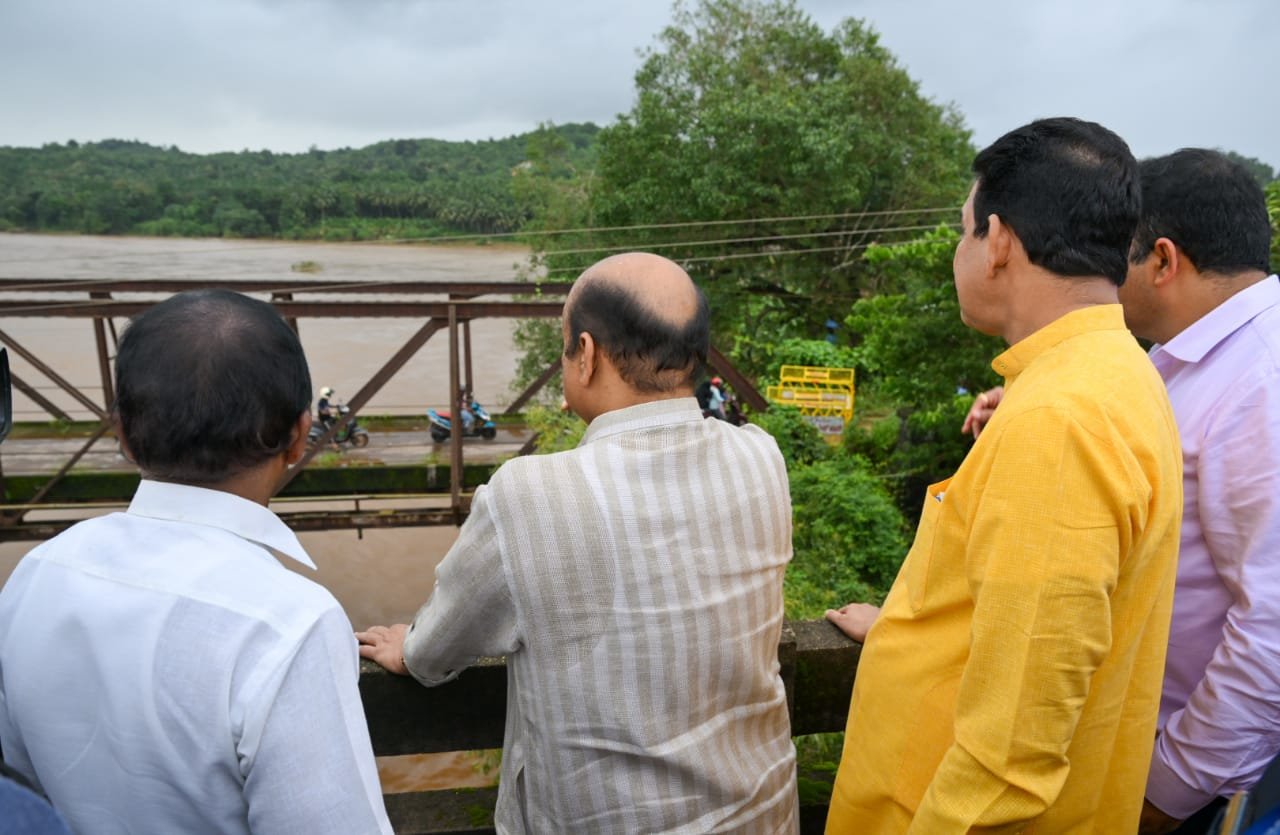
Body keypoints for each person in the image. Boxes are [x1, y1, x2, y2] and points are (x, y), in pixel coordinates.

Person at [823, 117, 1183, 833]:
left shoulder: (1061, 420)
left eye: (965, 230)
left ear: (1001, 243)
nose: (960, 250)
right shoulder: (1118, 375)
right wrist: (907, 632)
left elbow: (1009, 764)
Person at [358, 252, 799, 833]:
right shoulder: (760, 457)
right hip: (763, 815)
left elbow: (438, 647)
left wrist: (407, 650)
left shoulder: (526, 494)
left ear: (585, 355)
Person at [960, 149, 1280, 834]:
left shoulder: (1263, 381)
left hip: (1169, 779)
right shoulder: (1185, 357)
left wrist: (1166, 792)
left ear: (1163, 260)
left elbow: (1272, 628)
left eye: (1116, 261)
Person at [0, 290, 392, 835]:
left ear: (123, 435)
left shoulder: (37, 573)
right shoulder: (289, 621)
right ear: (299, 437)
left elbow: (17, 779)